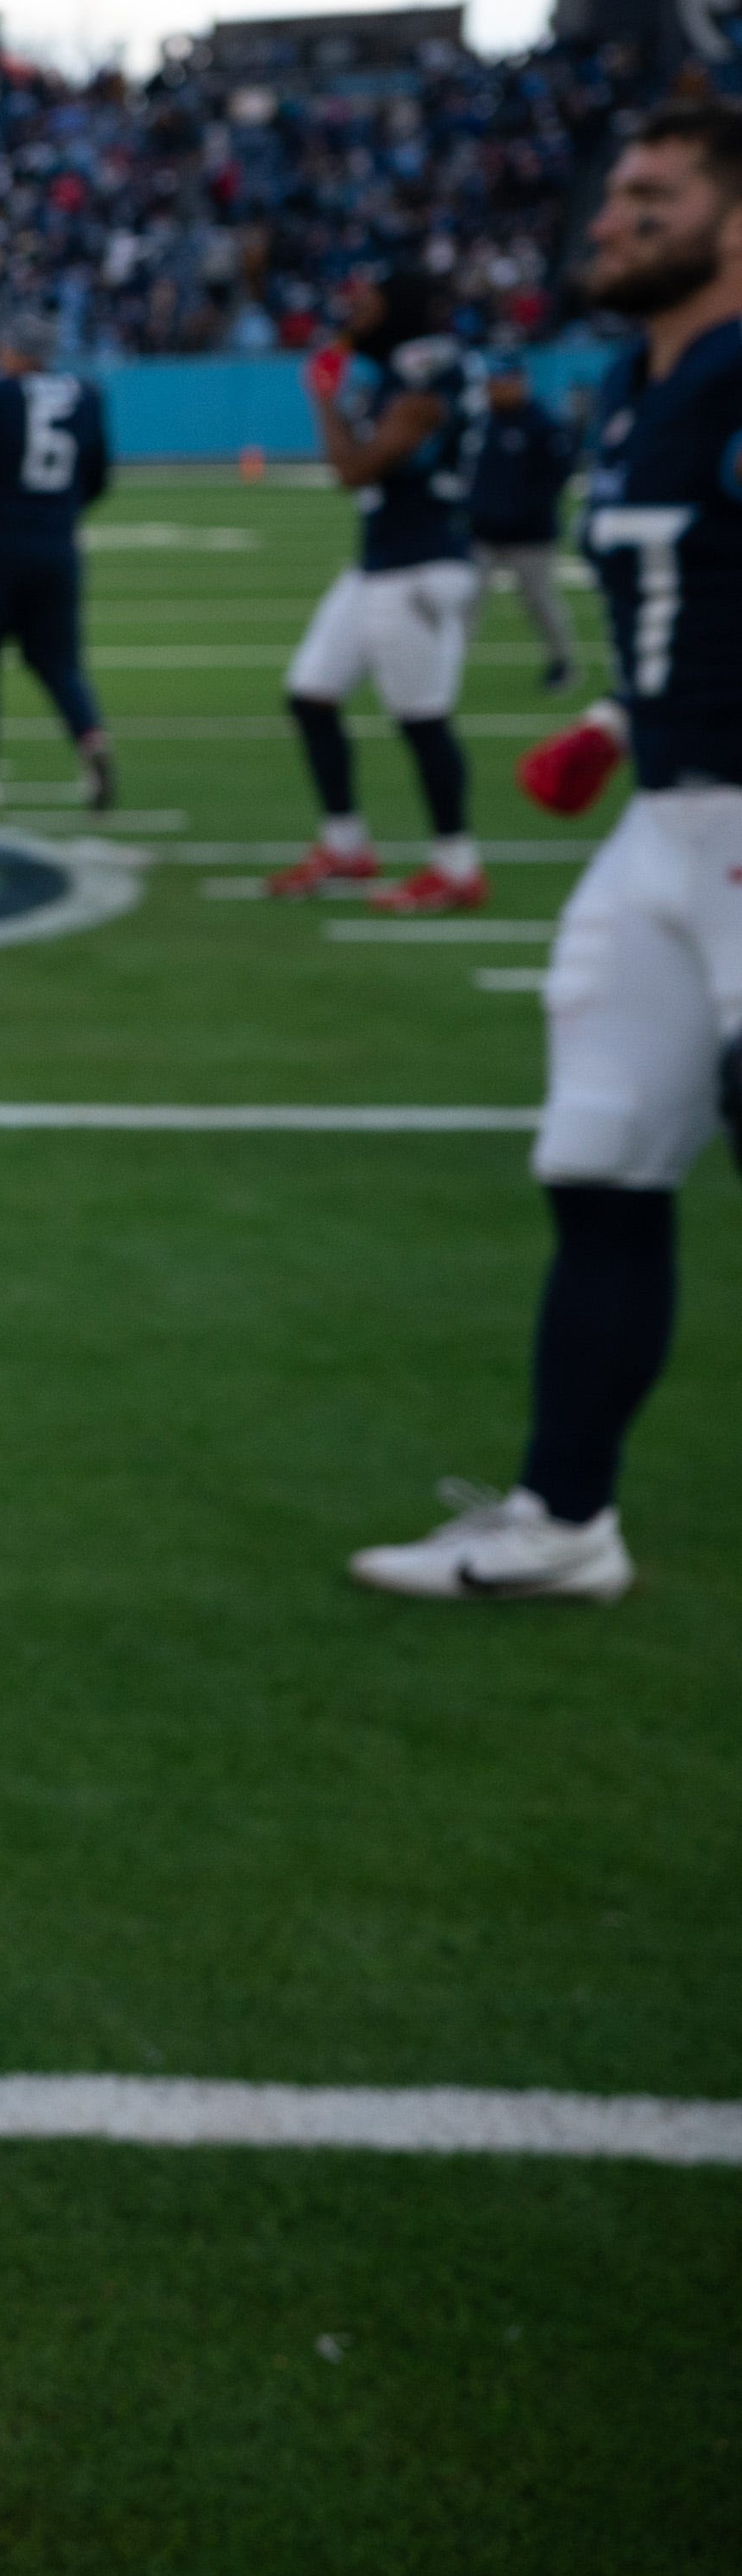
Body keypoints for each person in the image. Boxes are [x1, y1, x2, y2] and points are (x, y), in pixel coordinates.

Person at [358, 109, 742, 1603]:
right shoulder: (637, 387)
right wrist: (605, 715)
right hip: (668, 822)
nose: (610, 221)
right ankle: (565, 1520)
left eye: (653, 200)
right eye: (615, 196)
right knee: (598, 1155)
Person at [268, 274, 487, 912]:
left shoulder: (426, 375)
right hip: (381, 561)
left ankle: (457, 866)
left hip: (420, 564)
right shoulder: (404, 367)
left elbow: (355, 470)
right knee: (312, 695)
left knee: (423, 721)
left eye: (366, 304)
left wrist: (324, 400)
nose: (352, 313)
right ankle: (345, 847)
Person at [0, 328, 118, 812]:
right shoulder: (88, 395)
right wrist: (59, 515)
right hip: (58, 545)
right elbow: (100, 477)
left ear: (15, 353)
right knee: (58, 662)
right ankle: (91, 737)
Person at [465, 361, 582, 696]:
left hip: (530, 534)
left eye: (501, 382)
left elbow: (558, 476)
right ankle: (440, 669)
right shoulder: (482, 421)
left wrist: (520, 510)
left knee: (541, 602)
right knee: (464, 603)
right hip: (483, 530)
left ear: (519, 382)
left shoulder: (542, 423)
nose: (494, 389)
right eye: (492, 383)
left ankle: (562, 663)